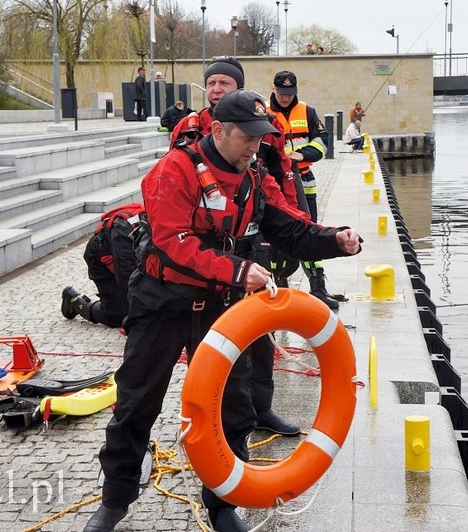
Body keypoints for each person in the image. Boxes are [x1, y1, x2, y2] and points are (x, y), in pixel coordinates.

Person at [83, 89, 362, 532]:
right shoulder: (173, 171)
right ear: (217, 130)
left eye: (261, 138)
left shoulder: (252, 176)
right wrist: (237, 270)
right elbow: (172, 243)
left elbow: (288, 226)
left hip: (221, 310)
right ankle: (115, 500)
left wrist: (334, 240)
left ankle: (221, 503)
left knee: (235, 407)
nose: (255, 147)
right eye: (247, 138)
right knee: (137, 402)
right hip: (162, 303)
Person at [171, 57, 304, 437]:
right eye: (211, 83)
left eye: (224, 83)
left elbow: (283, 178)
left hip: (255, 238)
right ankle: (211, 413)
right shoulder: (189, 127)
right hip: (208, 248)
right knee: (210, 335)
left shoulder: (268, 126)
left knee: (261, 331)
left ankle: (261, 409)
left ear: (240, 88)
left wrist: (289, 230)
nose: (216, 89)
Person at [268, 70, 347, 310]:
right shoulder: (263, 113)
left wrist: (302, 154)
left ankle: (318, 287)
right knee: (274, 234)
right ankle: (279, 283)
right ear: (274, 90)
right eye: (282, 93)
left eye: (289, 94)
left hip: (303, 178)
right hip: (275, 181)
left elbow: (322, 142)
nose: (285, 98)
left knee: (309, 229)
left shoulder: (308, 112)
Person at [61, 203, 144, 328]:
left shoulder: (154, 221)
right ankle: (74, 301)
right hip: (100, 261)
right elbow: (126, 275)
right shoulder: (124, 228)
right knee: (118, 315)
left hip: (119, 258)